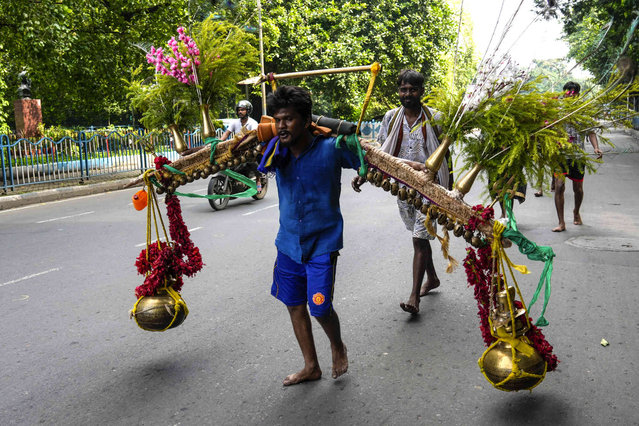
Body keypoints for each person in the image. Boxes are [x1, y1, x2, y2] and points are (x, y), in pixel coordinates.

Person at [258, 85, 358, 385]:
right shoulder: (276, 151)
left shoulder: (332, 148)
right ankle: (310, 366)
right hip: (288, 243)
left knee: (320, 306)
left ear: (305, 120)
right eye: (277, 119)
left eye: (288, 119)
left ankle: (337, 345)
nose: (281, 125)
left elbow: (376, 162)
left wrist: (366, 171)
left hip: (322, 244)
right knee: (294, 304)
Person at [352, 69, 450, 314]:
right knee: (419, 238)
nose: (407, 94)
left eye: (412, 89)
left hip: (430, 188)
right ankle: (433, 278)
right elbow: (382, 154)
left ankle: (414, 296)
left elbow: (445, 155)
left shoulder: (435, 118)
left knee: (419, 237)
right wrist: (364, 174)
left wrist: (446, 189)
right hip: (402, 187)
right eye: (403, 89)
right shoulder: (391, 118)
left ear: (421, 92)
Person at [552, 81, 603, 232]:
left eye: (573, 93)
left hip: (577, 156)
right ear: (564, 94)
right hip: (560, 156)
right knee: (559, 186)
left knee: (578, 189)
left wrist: (596, 147)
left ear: (578, 95)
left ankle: (576, 211)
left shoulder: (583, 112)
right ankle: (561, 222)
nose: (570, 96)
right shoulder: (557, 111)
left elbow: (591, 132)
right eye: (568, 93)